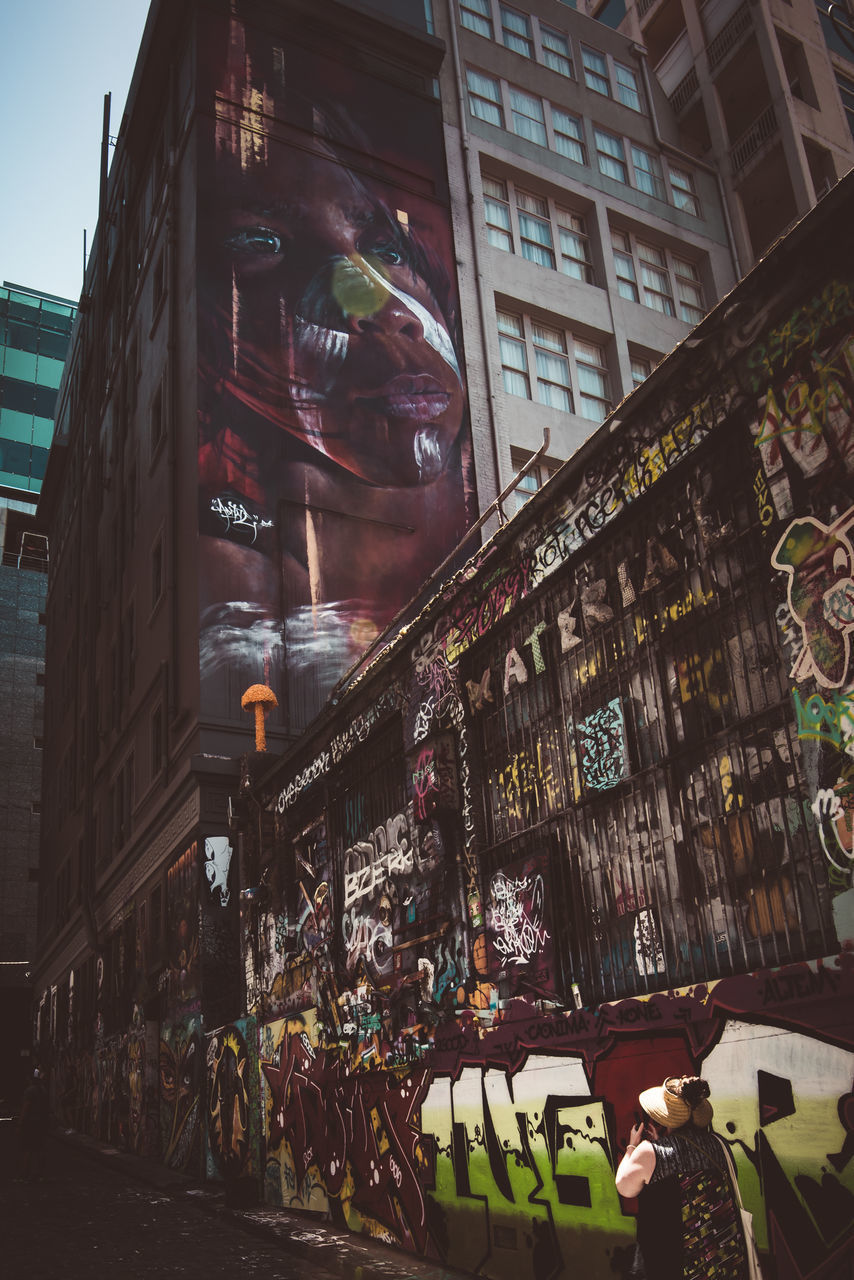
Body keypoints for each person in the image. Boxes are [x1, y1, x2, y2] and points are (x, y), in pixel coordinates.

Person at [198, 17, 474, 724]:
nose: (379, 309)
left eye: (380, 243)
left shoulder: (461, 521)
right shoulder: (237, 581)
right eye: (263, 243)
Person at [615, 1075, 749, 1280]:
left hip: (674, 1268)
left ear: (666, 1117)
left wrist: (632, 1148)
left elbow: (625, 1187)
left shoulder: (650, 1153)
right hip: (721, 1263)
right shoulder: (719, 1144)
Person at [18, 1068, 50, 1181]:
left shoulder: (29, 1091)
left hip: (31, 1123)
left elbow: (26, 1108)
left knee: (28, 1149)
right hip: (41, 1123)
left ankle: (25, 1174)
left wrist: (21, 1123)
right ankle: (39, 1173)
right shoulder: (43, 1090)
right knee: (40, 1149)